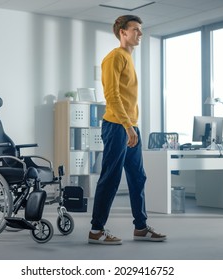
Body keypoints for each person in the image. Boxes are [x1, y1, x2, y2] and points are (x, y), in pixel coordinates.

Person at [88, 15, 166, 245]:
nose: (140, 34)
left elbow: (129, 98)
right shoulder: (114, 57)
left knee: (138, 176)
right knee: (111, 178)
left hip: (131, 128)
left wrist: (133, 127)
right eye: (135, 30)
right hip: (117, 127)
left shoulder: (128, 59)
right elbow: (112, 95)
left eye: (140, 30)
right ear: (123, 32)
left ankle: (140, 227)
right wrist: (127, 126)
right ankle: (96, 230)